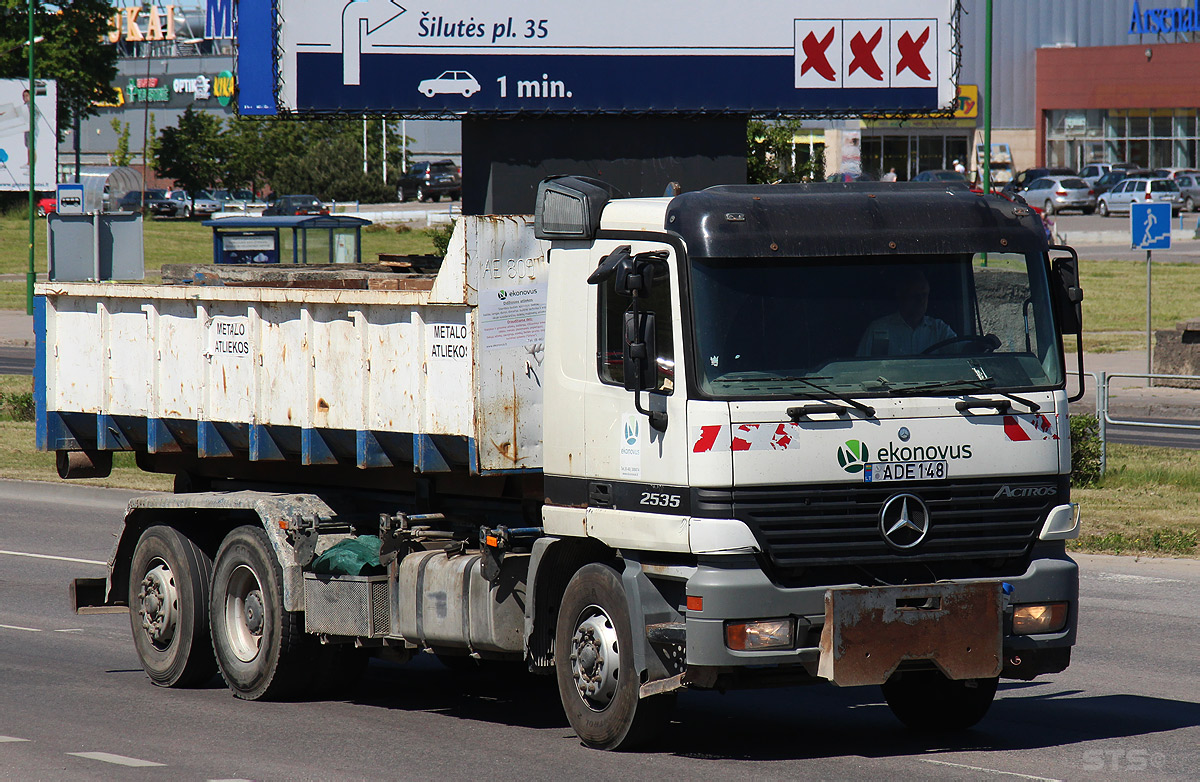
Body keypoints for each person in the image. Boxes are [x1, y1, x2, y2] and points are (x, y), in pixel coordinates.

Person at [856, 269, 956, 356]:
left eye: (924, 295)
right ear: (901, 296)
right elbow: (863, 368)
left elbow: (961, 349)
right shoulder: (879, 329)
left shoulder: (939, 329)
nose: (921, 300)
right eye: (915, 295)